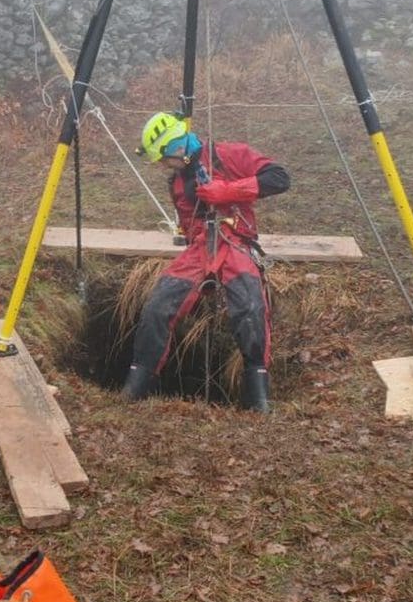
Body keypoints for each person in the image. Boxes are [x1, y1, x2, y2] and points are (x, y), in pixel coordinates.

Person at [122, 111, 290, 413]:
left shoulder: (229, 155)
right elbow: (189, 228)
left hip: (235, 241)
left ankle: (257, 397)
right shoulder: (177, 183)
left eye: (165, 158)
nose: (163, 166)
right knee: (158, 306)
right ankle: (137, 388)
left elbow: (279, 178)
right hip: (200, 249)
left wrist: (227, 192)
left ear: (178, 147)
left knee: (250, 308)